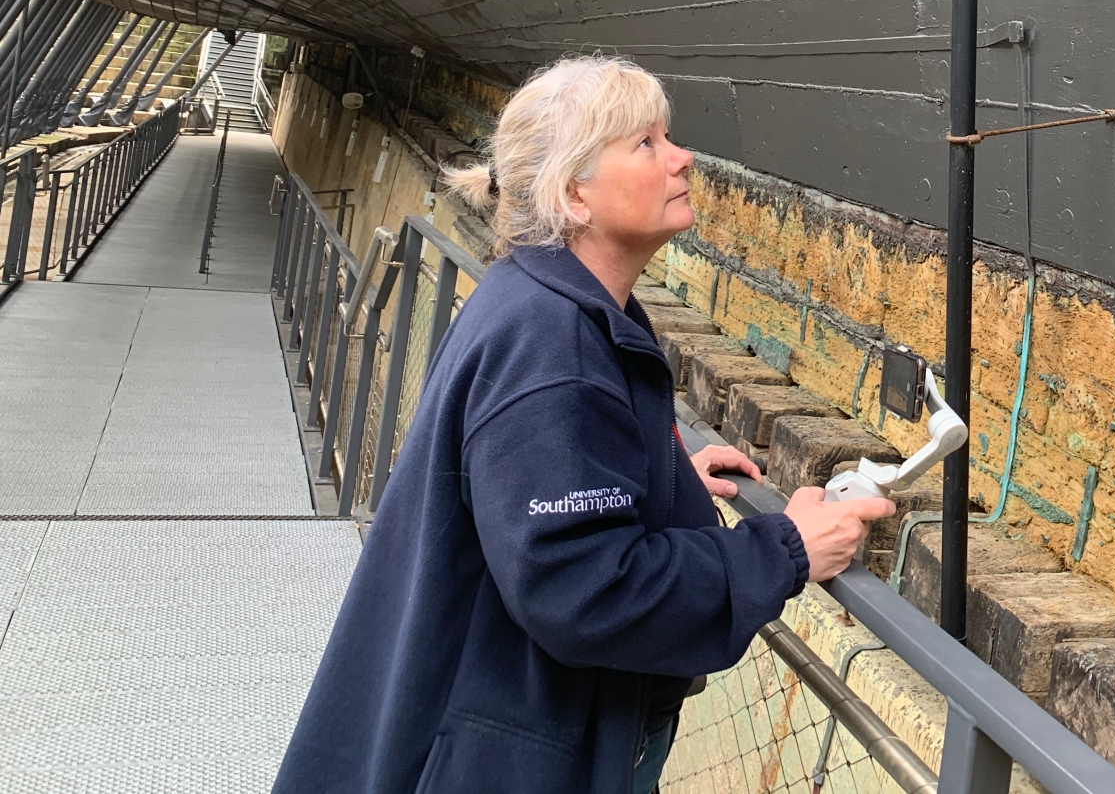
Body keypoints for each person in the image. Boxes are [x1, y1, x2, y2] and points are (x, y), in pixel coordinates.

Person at [273, 57, 895, 794]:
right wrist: (786, 549)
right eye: (646, 144)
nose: (681, 157)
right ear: (573, 194)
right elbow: (583, 588)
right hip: (519, 753)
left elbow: (532, 486)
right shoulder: (553, 346)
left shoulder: (536, 301)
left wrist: (656, 481)